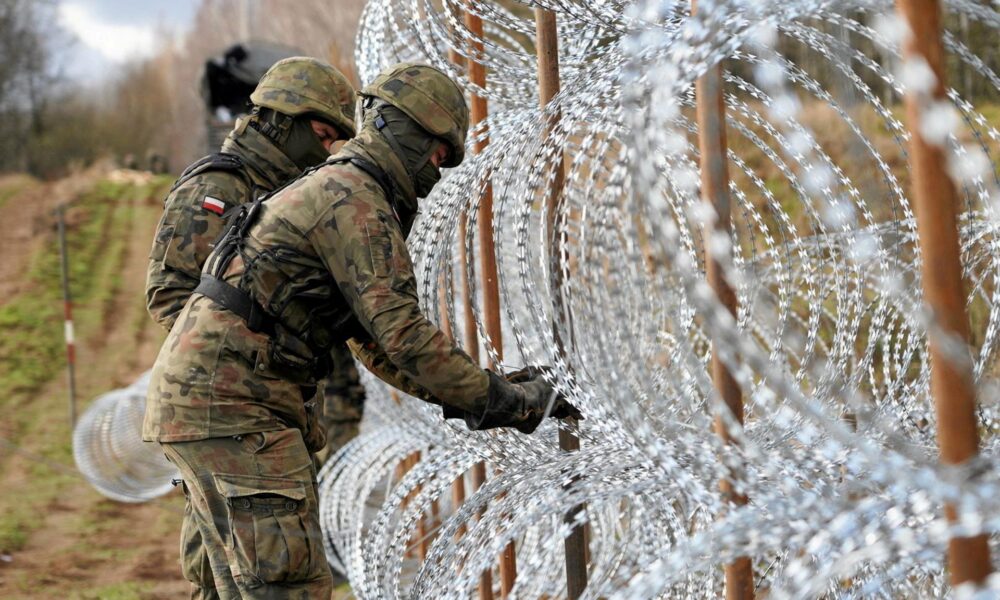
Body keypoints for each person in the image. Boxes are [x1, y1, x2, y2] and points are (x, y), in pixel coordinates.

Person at [144, 62, 580, 598]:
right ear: (406, 134)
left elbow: (377, 347)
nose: (437, 170)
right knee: (287, 587)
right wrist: (507, 400)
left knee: (234, 589)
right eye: (437, 152)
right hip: (238, 410)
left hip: (222, 408)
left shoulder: (342, 189)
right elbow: (402, 334)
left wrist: (495, 394)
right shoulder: (356, 202)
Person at [144, 56, 358, 599]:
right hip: (230, 414)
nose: (330, 149)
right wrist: (246, 362)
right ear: (282, 119)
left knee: (243, 573)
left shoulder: (292, 193)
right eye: (324, 133)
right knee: (239, 575)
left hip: (273, 410)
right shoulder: (222, 186)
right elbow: (171, 294)